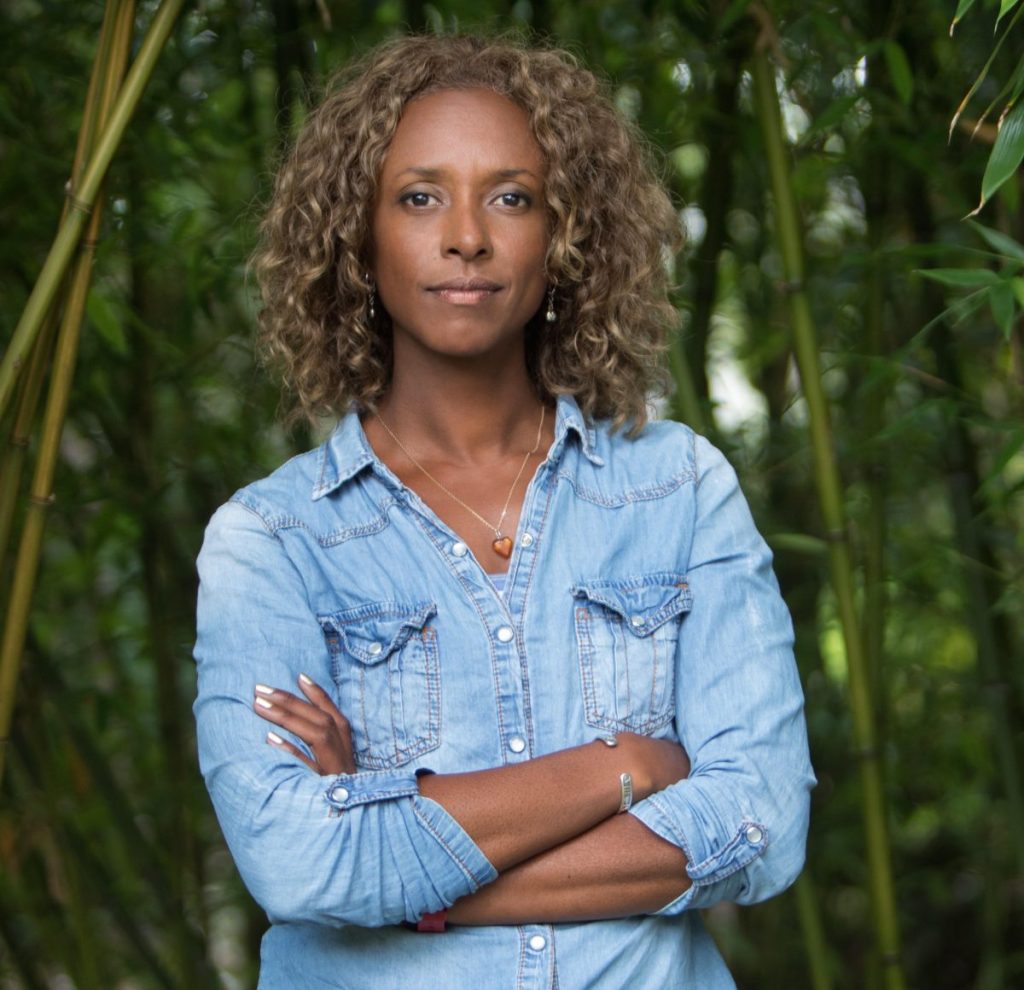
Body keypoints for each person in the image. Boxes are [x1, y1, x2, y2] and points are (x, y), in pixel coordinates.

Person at [193, 33, 815, 990]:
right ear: (355, 234)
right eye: (420, 196)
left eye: (511, 196)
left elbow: (760, 823)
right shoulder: (272, 541)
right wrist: (625, 766)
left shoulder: (678, 489)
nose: (467, 236)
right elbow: (296, 863)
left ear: (567, 232)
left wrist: (406, 863)